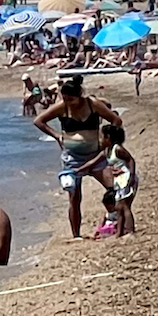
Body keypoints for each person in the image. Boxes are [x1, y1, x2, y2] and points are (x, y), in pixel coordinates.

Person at [32, 74, 118, 240]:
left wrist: (107, 139)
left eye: (70, 99)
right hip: (72, 158)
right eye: (64, 99)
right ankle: (76, 234)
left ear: (79, 96)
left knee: (113, 187)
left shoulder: (92, 104)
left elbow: (115, 120)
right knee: (74, 197)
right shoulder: (62, 107)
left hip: (96, 154)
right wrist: (57, 135)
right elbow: (39, 121)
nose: (68, 102)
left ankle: (115, 221)